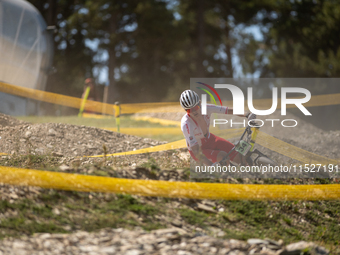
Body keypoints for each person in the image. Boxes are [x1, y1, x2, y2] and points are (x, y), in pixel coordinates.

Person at [180, 89, 256, 166]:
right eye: (189, 110)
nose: (193, 111)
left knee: (241, 157)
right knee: (223, 157)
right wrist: (210, 165)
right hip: (199, 149)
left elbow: (227, 110)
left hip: (210, 139)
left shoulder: (206, 108)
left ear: (199, 102)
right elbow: (196, 151)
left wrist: (247, 114)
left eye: (195, 107)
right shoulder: (186, 124)